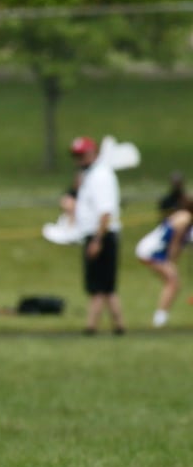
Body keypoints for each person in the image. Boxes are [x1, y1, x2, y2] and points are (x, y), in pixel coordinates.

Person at [71, 136, 125, 335]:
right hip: (97, 234)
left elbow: (105, 212)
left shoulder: (101, 176)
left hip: (102, 234)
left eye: (82, 155)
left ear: (92, 153)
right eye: (76, 156)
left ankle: (90, 327)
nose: (78, 160)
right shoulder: (90, 176)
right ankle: (118, 326)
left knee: (99, 286)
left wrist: (97, 240)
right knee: (106, 286)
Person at [134, 196, 191, 328]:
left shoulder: (181, 215)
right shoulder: (185, 218)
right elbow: (175, 243)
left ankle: (160, 317)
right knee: (173, 282)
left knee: (172, 282)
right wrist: (172, 261)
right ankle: (160, 319)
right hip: (151, 251)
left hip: (152, 249)